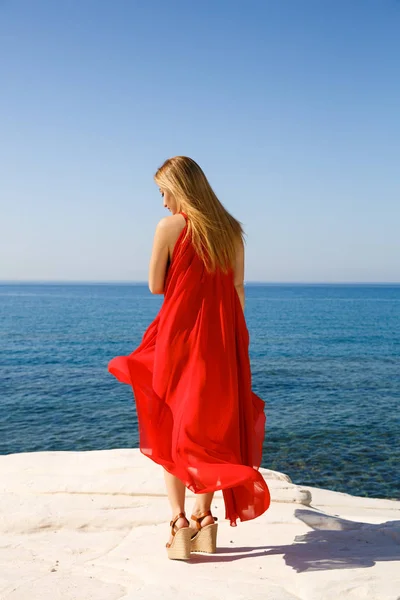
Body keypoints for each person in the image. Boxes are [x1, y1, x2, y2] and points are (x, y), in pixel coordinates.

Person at [108, 156, 271, 560]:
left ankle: (179, 522)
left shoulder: (169, 227)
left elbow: (154, 286)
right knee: (211, 432)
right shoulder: (231, 231)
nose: (162, 202)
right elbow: (237, 289)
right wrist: (234, 343)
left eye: (163, 192)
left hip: (177, 342)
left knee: (171, 428)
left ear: (178, 188)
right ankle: (205, 519)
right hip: (221, 344)